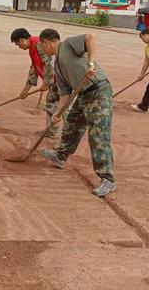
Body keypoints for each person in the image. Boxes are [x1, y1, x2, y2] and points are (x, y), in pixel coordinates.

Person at [38, 29, 116, 197]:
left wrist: (90, 64)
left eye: (41, 46)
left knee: (98, 134)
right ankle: (61, 156)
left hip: (99, 91)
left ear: (47, 42)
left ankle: (107, 178)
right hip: (83, 95)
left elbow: (90, 38)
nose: (42, 49)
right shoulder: (58, 65)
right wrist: (58, 114)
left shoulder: (68, 45)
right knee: (72, 122)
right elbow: (65, 94)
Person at [10, 27, 59, 138]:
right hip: (54, 80)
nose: (19, 47)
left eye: (18, 44)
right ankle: (52, 130)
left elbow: (49, 64)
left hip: (59, 79)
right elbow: (34, 68)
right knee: (54, 103)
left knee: (53, 103)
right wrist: (25, 90)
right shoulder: (32, 47)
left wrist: (46, 83)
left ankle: (53, 131)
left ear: (23, 40)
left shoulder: (38, 45)